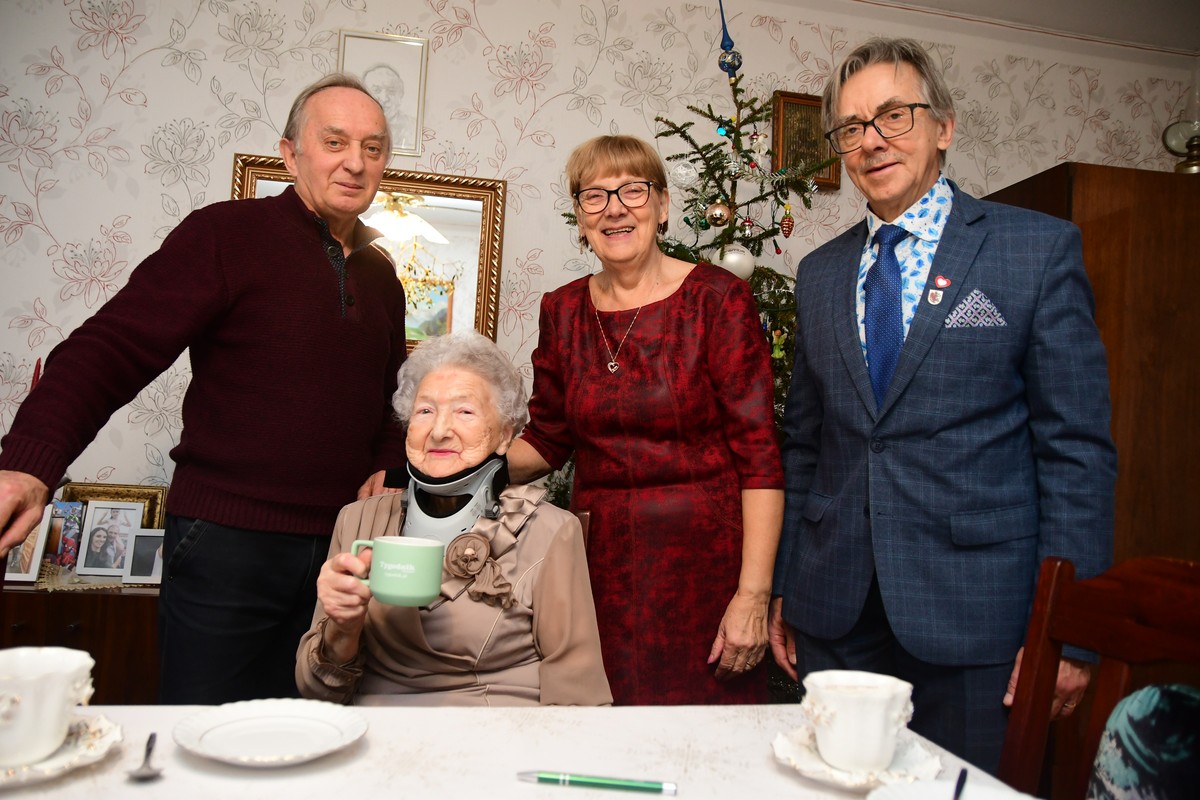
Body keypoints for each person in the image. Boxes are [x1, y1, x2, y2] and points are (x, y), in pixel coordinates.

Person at [0, 72, 408, 703]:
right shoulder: (223, 234)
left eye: (372, 148)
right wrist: (30, 463)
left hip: (342, 550)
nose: (355, 162)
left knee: (323, 731)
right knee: (204, 734)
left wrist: (387, 462)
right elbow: (111, 347)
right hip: (226, 544)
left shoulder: (384, 279)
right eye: (334, 142)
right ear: (290, 153)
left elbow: (390, 401)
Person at [768, 37, 1117, 773]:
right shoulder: (821, 274)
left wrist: (1072, 632)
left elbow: (1076, 452)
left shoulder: (1034, 251)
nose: (872, 140)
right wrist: (787, 590)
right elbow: (805, 445)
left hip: (978, 620)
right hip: (836, 615)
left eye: (894, 116)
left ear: (944, 127)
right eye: (851, 127)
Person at [506, 135, 784, 705]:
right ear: (579, 216)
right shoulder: (562, 310)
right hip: (596, 568)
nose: (614, 208)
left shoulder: (717, 299)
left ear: (661, 205)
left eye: (633, 190)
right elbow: (548, 437)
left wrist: (753, 595)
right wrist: (458, 467)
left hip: (706, 566)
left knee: (703, 734)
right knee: (600, 725)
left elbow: (759, 457)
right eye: (594, 196)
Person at [297, 330, 611, 706]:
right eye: (425, 411)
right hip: (379, 729)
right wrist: (343, 628)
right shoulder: (358, 521)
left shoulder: (549, 531)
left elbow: (576, 693)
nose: (440, 431)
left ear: (504, 436)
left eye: (465, 412)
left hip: (497, 730)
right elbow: (318, 691)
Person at [363, 64, 416, 152]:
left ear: (400, 96)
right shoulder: (352, 125)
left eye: (391, 91)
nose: (384, 98)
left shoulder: (413, 127)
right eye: (377, 90)